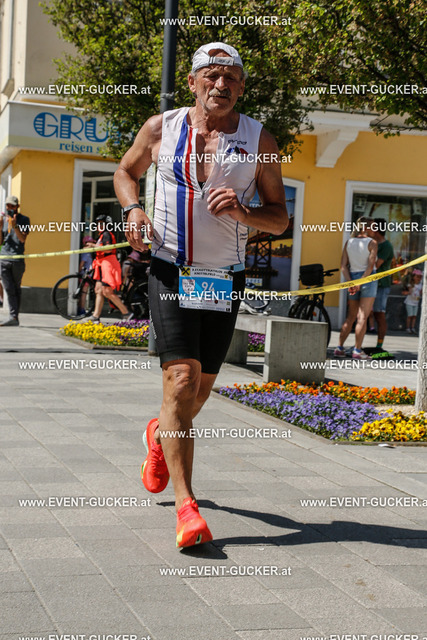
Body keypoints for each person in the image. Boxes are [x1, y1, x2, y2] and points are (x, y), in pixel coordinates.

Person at [114, 42, 288, 548]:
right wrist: (132, 210)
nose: (221, 85)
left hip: (223, 278)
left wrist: (244, 213)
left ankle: (159, 435)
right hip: (171, 269)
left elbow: (279, 218)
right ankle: (186, 507)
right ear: (192, 82)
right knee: (181, 379)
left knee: (198, 393)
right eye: (211, 75)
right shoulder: (160, 128)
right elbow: (125, 172)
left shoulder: (260, 140)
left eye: (231, 77)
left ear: (241, 86)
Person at [334, 217, 378, 359]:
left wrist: (351, 283)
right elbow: (370, 266)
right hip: (368, 279)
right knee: (362, 317)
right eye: (373, 227)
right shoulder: (372, 243)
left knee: (351, 316)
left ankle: (339, 348)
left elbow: (343, 266)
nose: (375, 229)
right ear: (366, 228)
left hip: (352, 278)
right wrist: (360, 283)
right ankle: (357, 351)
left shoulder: (349, 242)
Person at [84, 214, 132, 323]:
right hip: (102, 265)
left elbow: (108, 249)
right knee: (98, 290)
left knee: (107, 291)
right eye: (98, 224)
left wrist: (93, 246)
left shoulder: (106, 234)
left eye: (101, 224)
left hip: (108, 265)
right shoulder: (102, 235)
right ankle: (96, 316)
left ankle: (126, 313)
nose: (99, 226)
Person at [0, 196, 30, 326]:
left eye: (12, 206)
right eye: (8, 206)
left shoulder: (24, 220)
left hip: (17, 260)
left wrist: (15, 225)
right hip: (4, 258)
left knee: (16, 288)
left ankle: (14, 317)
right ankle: (13, 317)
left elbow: (22, 239)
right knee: (9, 288)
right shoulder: (4, 220)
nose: (9, 208)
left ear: (17, 206)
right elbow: (0, 242)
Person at [366, 218, 394, 351]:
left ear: (376, 230)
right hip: (370, 284)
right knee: (364, 314)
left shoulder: (386, 246)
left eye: (371, 227)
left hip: (381, 285)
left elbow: (376, 265)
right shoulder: (372, 243)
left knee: (379, 314)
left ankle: (379, 346)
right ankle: (358, 347)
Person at [404, 269, 423, 334]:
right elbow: (408, 292)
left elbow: (421, 293)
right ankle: (408, 328)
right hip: (409, 302)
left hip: (416, 302)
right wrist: (408, 292)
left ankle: (412, 327)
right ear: (413, 277)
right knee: (410, 315)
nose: (418, 278)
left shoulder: (421, 285)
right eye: (417, 277)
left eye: (420, 277)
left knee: (414, 316)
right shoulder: (410, 285)